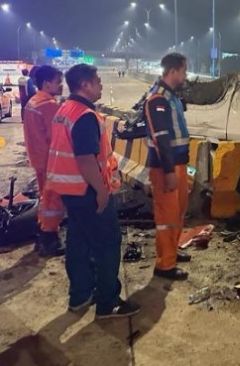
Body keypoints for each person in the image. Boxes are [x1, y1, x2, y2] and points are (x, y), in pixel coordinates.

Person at [46, 64, 140, 319]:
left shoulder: (65, 109)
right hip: (88, 191)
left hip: (70, 191)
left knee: (78, 243)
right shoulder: (85, 116)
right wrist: (100, 190)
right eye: (97, 81)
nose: (100, 85)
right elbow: (86, 158)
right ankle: (108, 303)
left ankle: (80, 296)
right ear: (85, 85)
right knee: (108, 244)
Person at [144, 53, 192, 281]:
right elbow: (161, 137)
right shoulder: (158, 98)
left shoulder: (172, 96)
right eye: (184, 71)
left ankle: (172, 250)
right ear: (173, 71)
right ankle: (165, 266)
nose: (186, 75)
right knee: (166, 218)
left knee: (178, 213)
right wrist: (170, 171)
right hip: (166, 168)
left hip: (179, 164)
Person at [22, 65, 66, 257]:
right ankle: (49, 239)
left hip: (38, 157)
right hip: (50, 160)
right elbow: (59, 134)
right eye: (58, 82)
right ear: (47, 83)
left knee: (45, 197)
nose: (61, 85)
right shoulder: (48, 105)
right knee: (53, 200)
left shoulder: (34, 101)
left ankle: (42, 232)